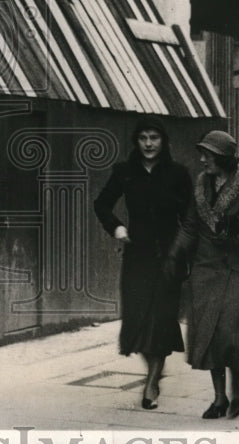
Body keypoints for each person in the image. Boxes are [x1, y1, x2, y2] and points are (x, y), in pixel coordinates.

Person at [173, 129, 239, 420]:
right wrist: (175, 254)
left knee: (229, 332)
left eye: (208, 154)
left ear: (223, 158)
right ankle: (219, 398)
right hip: (205, 270)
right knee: (207, 332)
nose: (203, 159)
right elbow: (191, 226)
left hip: (237, 270)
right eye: (202, 153)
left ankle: (236, 386)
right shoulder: (201, 183)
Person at [93, 115, 193, 410]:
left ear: (164, 141)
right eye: (143, 138)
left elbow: (189, 217)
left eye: (154, 138)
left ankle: (150, 383)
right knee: (136, 320)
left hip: (169, 256)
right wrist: (116, 227)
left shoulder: (178, 174)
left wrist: (184, 251)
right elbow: (102, 204)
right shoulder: (125, 172)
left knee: (161, 320)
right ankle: (154, 370)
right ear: (136, 142)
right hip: (137, 257)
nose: (149, 144)